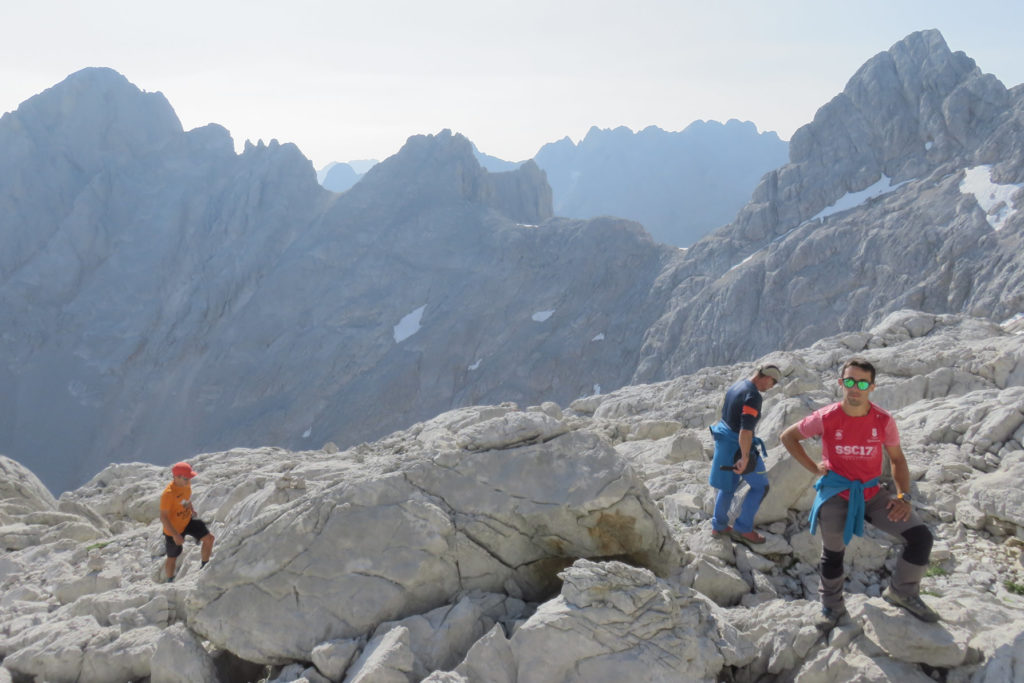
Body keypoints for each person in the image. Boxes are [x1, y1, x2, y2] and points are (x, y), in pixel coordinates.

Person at [779, 358, 939, 629]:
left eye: (862, 383)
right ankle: (832, 607)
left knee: (921, 537)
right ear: (841, 383)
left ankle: (903, 591)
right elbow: (788, 436)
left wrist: (903, 497)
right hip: (837, 491)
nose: (855, 388)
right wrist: (813, 468)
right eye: (850, 381)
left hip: (871, 492)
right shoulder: (827, 417)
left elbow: (898, 460)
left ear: (872, 387)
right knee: (833, 552)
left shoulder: (883, 420)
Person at [708, 364, 781, 547]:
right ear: (765, 377)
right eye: (772, 382)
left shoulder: (738, 385)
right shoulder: (753, 396)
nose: (771, 387)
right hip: (738, 448)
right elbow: (746, 430)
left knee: (728, 485)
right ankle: (743, 527)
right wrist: (746, 457)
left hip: (725, 444)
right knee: (760, 487)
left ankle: (718, 525)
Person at [160, 461, 214, 583]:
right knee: (172, 557)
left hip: (187, 520)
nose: (189, 480)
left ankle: (205, 566)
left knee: (209, 539)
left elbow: (184, 500)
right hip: (173, 529)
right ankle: (170, 580)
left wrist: (191, 509)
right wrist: (175, 535)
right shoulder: (168, 495)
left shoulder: (186, 485)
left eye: (189, 477)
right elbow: (163, 517)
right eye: (186, 478)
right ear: (177, 477)